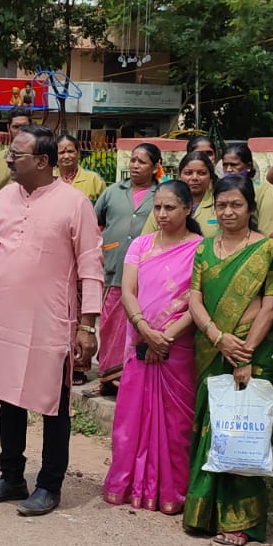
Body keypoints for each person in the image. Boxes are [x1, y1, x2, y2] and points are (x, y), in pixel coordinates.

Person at [0, 125, 101, 517]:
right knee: (9, 398)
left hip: (52, 324)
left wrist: (88, 327)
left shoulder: (74, 203)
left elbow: (92, 268)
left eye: (16, 154)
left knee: (53, 406)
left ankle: (49, 485)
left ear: (42, 162)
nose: (8, 159)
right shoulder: (6, 197)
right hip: (7, 320)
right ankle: (11, 477)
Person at [181, 175, 273, 545]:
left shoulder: (269, 252)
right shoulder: (204, 249)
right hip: (212, 349)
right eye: (222, 205)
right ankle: (203, 512)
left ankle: (242, 522)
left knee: (241, 431)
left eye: (236, 205)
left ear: (251, 209)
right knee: (211, 429)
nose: (228, 212)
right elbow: (194, 299)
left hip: (251, 352)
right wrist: (217, 336)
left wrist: (243, 350)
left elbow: (271, 304)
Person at [102, 179, 203, 513]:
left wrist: (166, 337)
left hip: (178, 348)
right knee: (131, 421)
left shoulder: (201, 248)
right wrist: (144, 329)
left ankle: (171, 492)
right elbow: (128, 291)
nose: (161, 213)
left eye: (170, 207)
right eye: (157, 207)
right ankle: (130, 485)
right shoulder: (141, 245)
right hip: (140, 344)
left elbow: (198, 304)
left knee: (175, 426)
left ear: (188, 208)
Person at [93, 142, 161, 396]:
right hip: (113, 270)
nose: (134, 165)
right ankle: (107, 378)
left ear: (155, 167)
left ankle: (131, 381)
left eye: (141, 162)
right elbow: (95, 223)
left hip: (146, 276)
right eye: (133, 160)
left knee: (136, 326)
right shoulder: (112, 192)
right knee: (110, 325)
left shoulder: (161, 195)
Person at [222, 141, 273, 239]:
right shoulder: (220, 191)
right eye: (225, 165)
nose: (228, 170)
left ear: (248, 166)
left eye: (234, 165)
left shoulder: (259, 191)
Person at [144, 151, 217, 235]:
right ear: (180, 175)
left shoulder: (219, 205)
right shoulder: (162, 207)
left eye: (201, 173)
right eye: (188, 173)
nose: (194, 178)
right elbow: (145, 242)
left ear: (210, 176)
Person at [0, 111, 33, 208]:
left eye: (25, 127)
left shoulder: (38, 158)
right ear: (8, 128)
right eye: (16, 127)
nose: (20, 131)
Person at [55, 135, 107, 201]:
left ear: (78, 153)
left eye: (70, 151)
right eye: (61, 152)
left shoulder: (94, 180)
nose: (66, 156)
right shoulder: (49, 178)